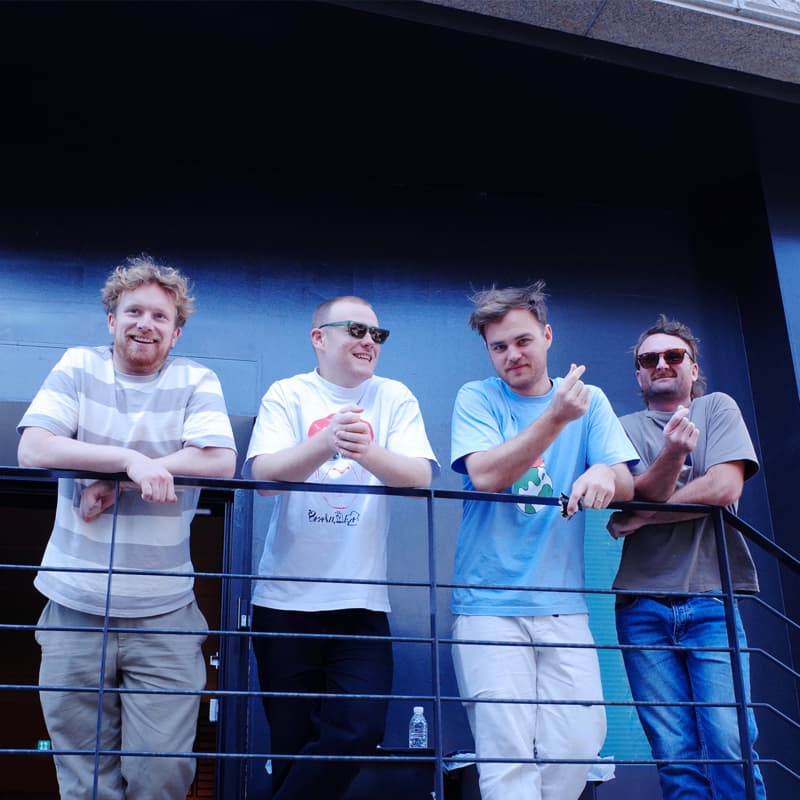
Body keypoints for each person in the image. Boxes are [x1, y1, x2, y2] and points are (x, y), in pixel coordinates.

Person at [17, 255, 237, 799]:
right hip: (74, 605)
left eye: (160, 316)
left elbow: (218, 461)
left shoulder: (196, 378)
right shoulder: (78, 365)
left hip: (164, 612)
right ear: (111, 321)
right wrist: (127, 460)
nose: (146, 324)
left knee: (162, 772)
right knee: (85, 779)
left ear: (177, 330)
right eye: (133, 311)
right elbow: (33, 447)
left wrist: (123, 481)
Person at [244, 295, 439, 800]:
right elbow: (263, 477)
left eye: (378, 335)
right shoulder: (287, 393)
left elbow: (419, 478)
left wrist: (366, 450)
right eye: (356, 330)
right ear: (319, 337)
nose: (369, 342)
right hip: (284, 604)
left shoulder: (394, 397)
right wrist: (325, 441)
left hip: (362, 605)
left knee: (358, 731)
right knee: (290, 745)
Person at [449, 282, 637, 800]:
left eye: (522, 341)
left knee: (580, 744)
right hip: (488, 603)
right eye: (499, 347)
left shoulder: (589, 400)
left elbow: (625, 481)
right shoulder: (478, 397)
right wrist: (556, 416)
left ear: (548, 336)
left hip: (563, 605)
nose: (512, 355)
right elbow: (487, 475)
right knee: (505, 756)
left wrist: (602, 471)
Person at [608, 315, 767, 799]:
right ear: (638, 375)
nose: (661, 364)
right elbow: (631, 495)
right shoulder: (621, 427)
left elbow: (723, 488)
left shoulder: (717, 408)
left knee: (729, 740)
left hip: (711, 601)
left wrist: (646, 518)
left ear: (693, 368)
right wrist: (672, 459)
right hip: (641, 607)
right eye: (648, 359)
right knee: (674, 753)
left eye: (673, 356)